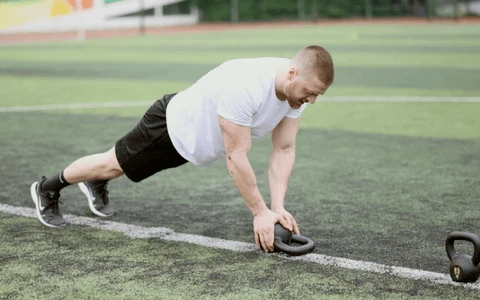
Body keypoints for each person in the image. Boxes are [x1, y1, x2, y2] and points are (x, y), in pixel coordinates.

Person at [30, 45, 334, 252]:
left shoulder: (296, 94)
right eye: (310, 93)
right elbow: (236, 156)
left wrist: (277, 207)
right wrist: (259, 212)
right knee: (112, 163)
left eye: (317, 95)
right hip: (169, 128)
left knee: (121, 167)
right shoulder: (248, 87)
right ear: (293, 73)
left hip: (194, 144)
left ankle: (96, 183)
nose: (312, 101)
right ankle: (47, 187)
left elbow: (283, 148)